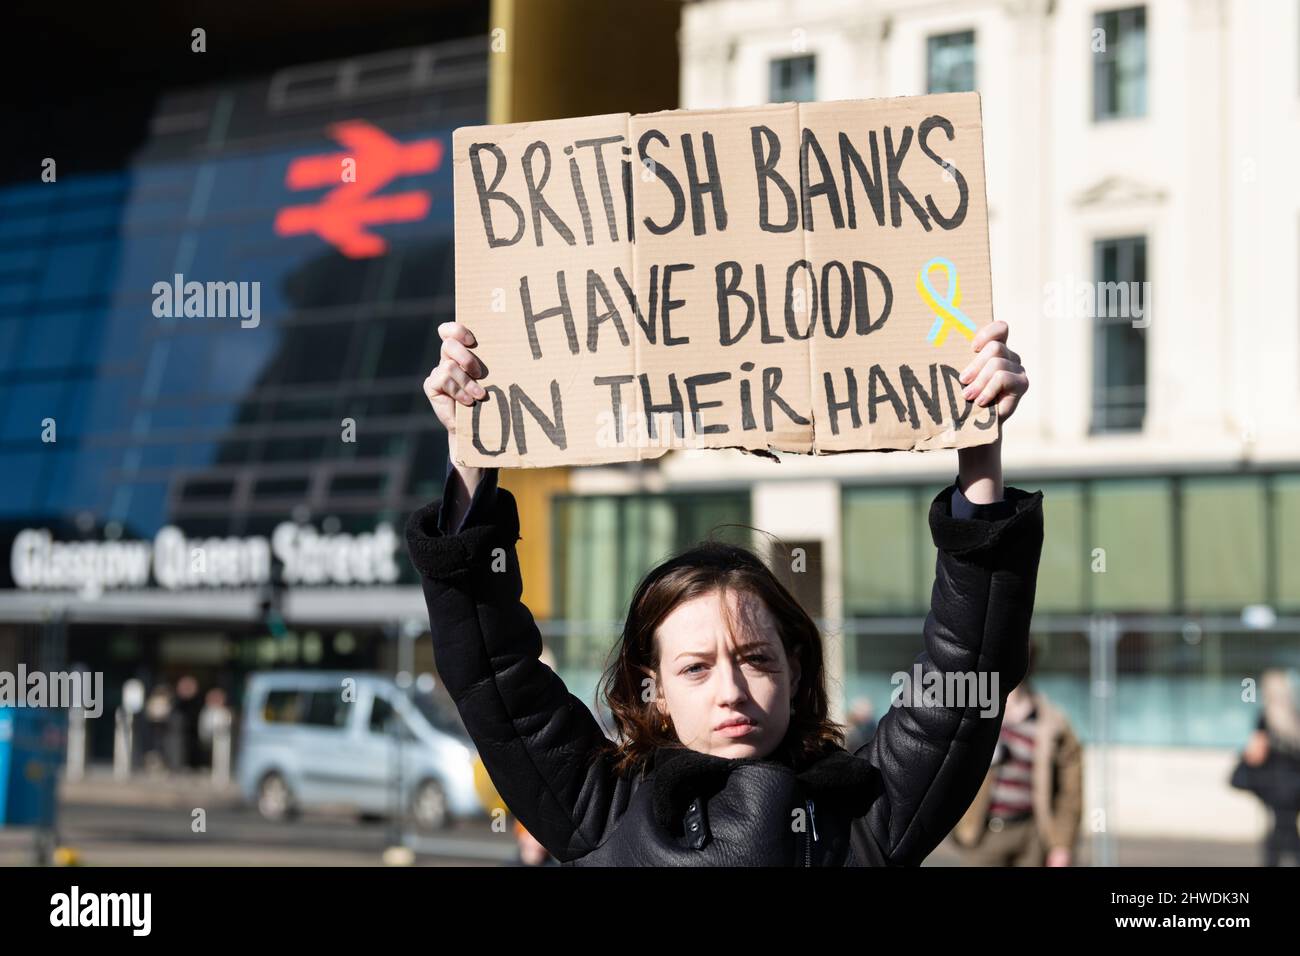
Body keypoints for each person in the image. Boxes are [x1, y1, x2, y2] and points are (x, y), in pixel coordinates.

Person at [404, 319, 1042, 866]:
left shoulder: (865, 812)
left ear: (796, 667)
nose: (732, 691)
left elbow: (969, 667)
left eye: (757, 658)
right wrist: (472, 458)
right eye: (696, 668)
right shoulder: (600, 811)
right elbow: (494, 672)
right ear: (652, 691)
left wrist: (979, 453)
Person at [949, 641, 1084, 866]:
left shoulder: (1052, 721)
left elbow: (1070, 791)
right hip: (983, 835)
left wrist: (1062, 845)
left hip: (1033, 836)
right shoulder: (974, 715)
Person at [1242, 669, 1300, 866]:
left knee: (1282, 829)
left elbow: (1256, 752)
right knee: (1287, 826)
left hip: (1275, 783)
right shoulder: (1295, 717)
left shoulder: (1266, 718)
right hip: (1295, 783)